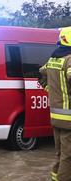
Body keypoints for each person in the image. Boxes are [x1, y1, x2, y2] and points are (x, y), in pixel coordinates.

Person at [39, 26, 71, 181]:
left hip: (55, 116)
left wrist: (49, 89)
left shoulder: (53, 60)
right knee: (68, 156)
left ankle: (55, 177)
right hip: (69, 118)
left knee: (59, 153)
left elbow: (40, 74)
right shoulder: (69, 59)